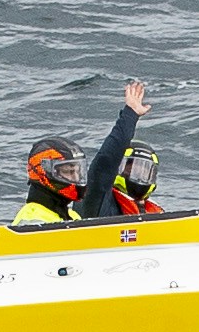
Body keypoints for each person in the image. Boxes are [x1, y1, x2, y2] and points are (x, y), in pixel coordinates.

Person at [11, 81, 162, 225]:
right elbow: (105, 163)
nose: (75, 179)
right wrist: (130, 115)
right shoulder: (32, 217)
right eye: (68, 172)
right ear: (46, 173)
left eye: (76, 172)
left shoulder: (72, 217)